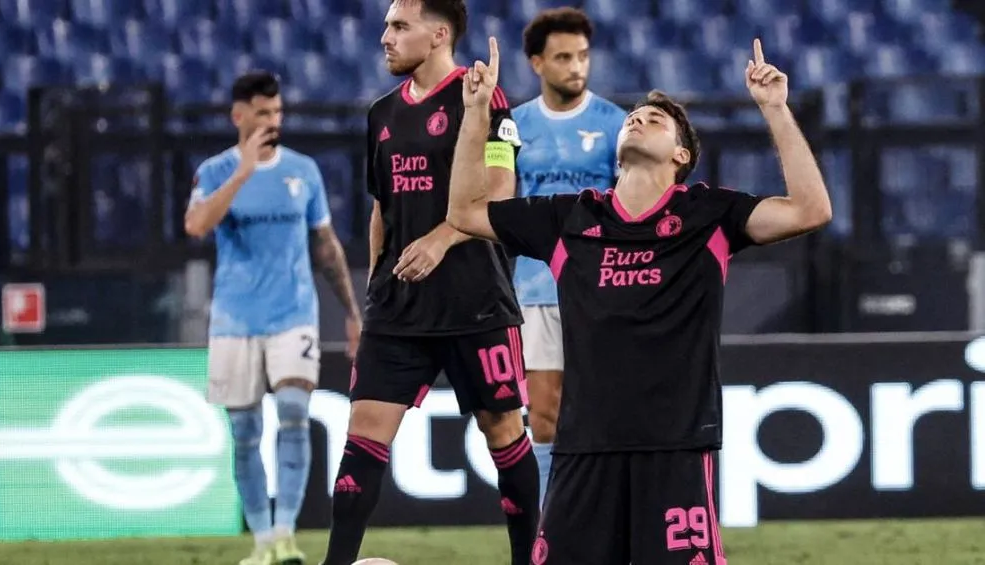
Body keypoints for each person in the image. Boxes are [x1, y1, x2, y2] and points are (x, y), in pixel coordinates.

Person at [448, 38, 832, 564]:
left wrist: (775, 109)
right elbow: (466, 213)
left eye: (655, 119)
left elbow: (810, 210)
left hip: (674, 448)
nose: (638, 119)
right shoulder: (570, 217)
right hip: (584, 450)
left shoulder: (709, 215)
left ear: (681, 156)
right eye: (634, 116)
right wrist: (475, 116)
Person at [320, 1, 539, 564]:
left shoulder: (483, 95)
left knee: (504, 434)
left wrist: (442, 238)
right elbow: (381, 208)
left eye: (399, 26)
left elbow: (500, 191)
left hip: (476, 301)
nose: (385, 37)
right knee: (363, 434)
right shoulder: (381, 113)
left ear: (439, 34)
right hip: (399, 307)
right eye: (387, 25)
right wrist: (376, 283)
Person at [184, 70, 362, 565]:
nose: (272, 121)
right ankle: (261, 541)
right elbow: (196, 226)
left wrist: (351, 313)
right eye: (262, 113)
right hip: (235, 318)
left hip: (293, 314)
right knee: (243, 431)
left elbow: (325, 245)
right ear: (238, 116)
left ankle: (285, 533)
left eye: (277, 112)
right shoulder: (216, 170)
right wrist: (243, 171)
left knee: (292, 413)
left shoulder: (302, 171)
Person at [511, 6, 626, 505]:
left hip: (601, 287)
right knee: (544, 414)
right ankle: (548, 531)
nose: (576, 67)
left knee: (606, 410)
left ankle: (603, 522)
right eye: (562, 57)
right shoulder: (511, 128)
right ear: (537, 63)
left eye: (582, 56)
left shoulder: (617, 125)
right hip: (536, 288)